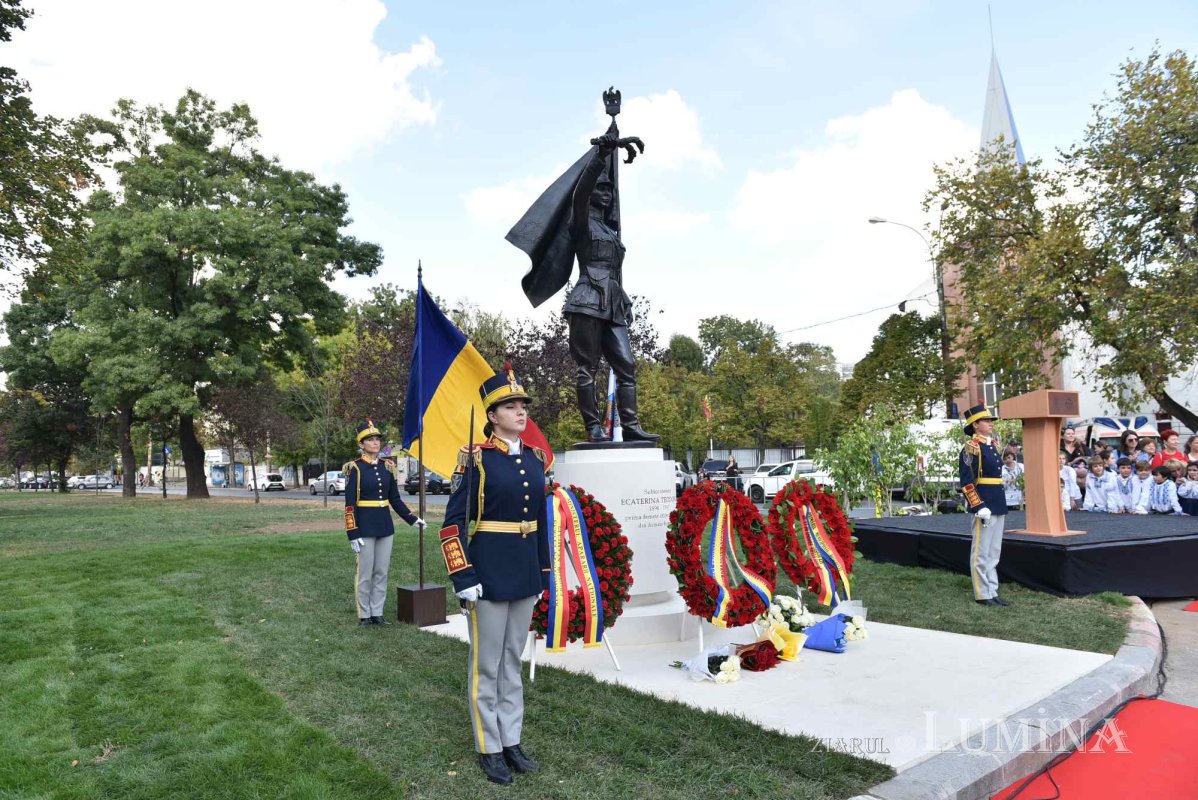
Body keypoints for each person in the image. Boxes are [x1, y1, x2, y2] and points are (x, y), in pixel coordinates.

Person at [438, 367, 550, 785]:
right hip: (485, 573)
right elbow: (451, 524)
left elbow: (539, 522)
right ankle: (489, 746)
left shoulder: (535, 459)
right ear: (493, 415)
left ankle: (511, 739)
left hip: (523, 575)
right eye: (511, 406)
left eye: (522, 406)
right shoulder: (477, 459)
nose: (520, 412)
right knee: (487, 665)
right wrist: (463, 574)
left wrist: (541, 575)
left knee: (511, 662)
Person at [343, 420, 424, 626]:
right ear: (361, 444)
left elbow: (395, 500)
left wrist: (412, 519)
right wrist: (353, 533)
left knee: (381, 572)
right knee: (365, 573)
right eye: (370, 440)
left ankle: (377, 612)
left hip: (384, 527)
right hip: (365, 528)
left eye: (377, 439)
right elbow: (350, 505)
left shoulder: (387, 467)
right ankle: (364, 614)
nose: (375, 443)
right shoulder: (355, 469)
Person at [958, 405, 1009, 607]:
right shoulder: (971, 448)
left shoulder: (992, 446)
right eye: (987, 421)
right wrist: (978, 506)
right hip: (984, 504)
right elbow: (967, 482)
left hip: (997, 501)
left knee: (993, 551)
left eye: (990, 421)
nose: (990, 424)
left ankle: (992, 590)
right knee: (981, 551)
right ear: (976, 425)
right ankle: (981, 592)